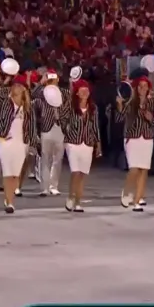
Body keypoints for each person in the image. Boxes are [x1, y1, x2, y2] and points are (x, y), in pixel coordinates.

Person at [0, 74, 38, 213]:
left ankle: (9, 198)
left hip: (21, 143)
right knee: (7, 171)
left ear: (24, 89)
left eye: (19, 85)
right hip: (6, 141)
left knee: (15, 174)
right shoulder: (5, 102)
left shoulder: (28, 107)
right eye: (14, 85)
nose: (16, 88)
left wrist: (33, 144)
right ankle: (10, 202)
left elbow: (32, 127)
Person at [116, 75, 154, 212]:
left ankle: (137, 200)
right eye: (140, 86)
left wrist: (150, 118)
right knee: (134, 168)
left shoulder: (153, 104)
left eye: (145, 86)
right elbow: (119, 118)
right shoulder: (130, 101)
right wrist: (119, 105)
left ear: (148, 88)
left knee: (143, 169)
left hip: (147, 138)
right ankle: (127, 191)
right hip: (132, 138)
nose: (142, 88)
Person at [61, 79, 101, 213]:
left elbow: (95, 127)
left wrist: (98, 144)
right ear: (77, 92)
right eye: (82, 89)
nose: (85, 92)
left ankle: (78, 201)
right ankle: (71, 196)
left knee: (82, 173)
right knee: (75, 171)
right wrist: (67, 131)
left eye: (87, 89)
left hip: (88, 143)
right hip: (73, 142)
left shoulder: (93, 109)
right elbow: (62, 120)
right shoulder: (70, 107)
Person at [33, 69, 67, 196]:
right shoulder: (41, 94)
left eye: (54, 79)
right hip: (46, 128)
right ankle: (45, 187)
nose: (52, 81)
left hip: (59, 127)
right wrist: (42, 83)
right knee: (45, 158)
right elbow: (33, 94)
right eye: (50, 79)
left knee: (58, 159)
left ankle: (54, 186)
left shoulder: (63, 93)